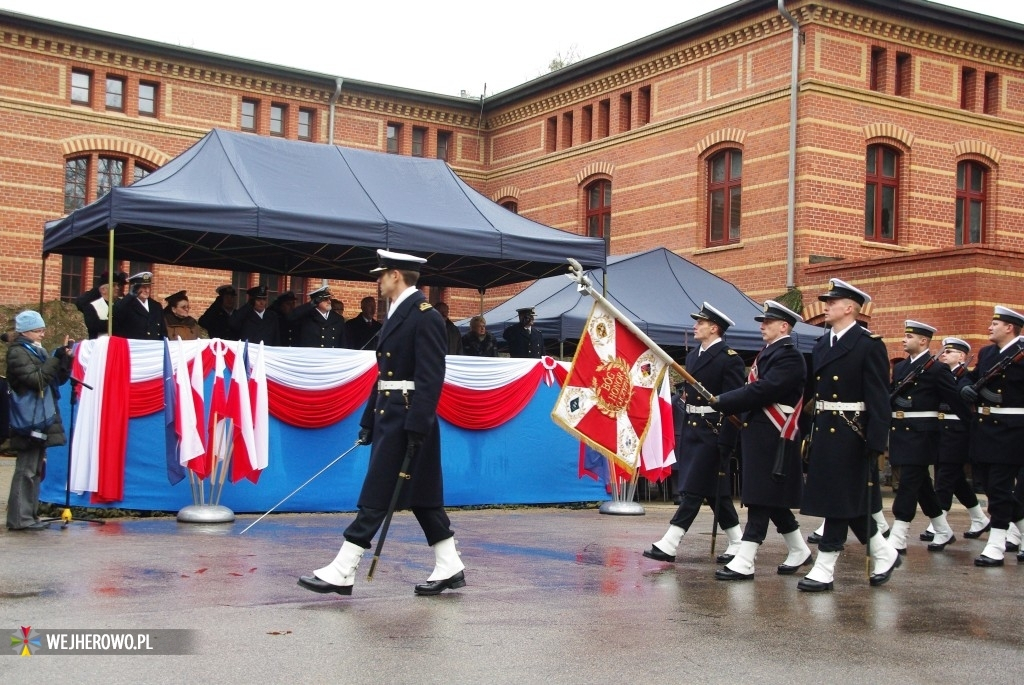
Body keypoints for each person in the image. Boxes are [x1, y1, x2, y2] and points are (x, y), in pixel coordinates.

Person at [298, 249, 465, 597]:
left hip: (408, 418)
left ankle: (343, 569)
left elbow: (432, 377)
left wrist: (418, 425)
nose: (378, 280)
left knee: (377, 495)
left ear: (396, 276)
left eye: (382, 274)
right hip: (393, 415)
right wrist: (369, 419)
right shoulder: (399, 314)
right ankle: (449, 564)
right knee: (423, 497)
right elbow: (384, 375)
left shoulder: (425, 316)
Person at [798, 279, 899, 591]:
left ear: (850, 308)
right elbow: (812, 395)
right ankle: (884, 552)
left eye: (832, 301)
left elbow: (880, 400)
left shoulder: (868, 345)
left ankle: (825, 565)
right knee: (847, 500)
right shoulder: (821, 344)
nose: (826, 306)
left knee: (837, 500)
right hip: (826, 430)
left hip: (852, 432)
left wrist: (876, 443)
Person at [710, 301, 812, 580]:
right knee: (771, 497)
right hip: (759, 432)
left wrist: (726, 400)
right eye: (762, 321)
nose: (761, 326)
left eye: (768, 322)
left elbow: (765, 389)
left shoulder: (790, 356)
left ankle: (746, 558)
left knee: (760, 497)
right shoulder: (767, 353)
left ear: (784, 326)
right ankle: (798, 548)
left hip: (776, 434)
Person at [643, 302, 744, 564]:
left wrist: (727, 442)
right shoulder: (692, 357)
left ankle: (670, 542)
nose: (695, 326)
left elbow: (736, 406)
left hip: (713, 432)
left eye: (700, 323)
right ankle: (738, 542)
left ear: (714, 328)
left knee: (693, 490)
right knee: (714, 492)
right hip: (692, 431)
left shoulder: (728, 359)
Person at [885, 320, 960, 554]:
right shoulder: (901, 368)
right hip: (901, 431)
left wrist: (971, 431)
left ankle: (899, 534)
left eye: (909, 337)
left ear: (923, 341)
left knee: (908, 482)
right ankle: (943, 529)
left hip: (923, 434)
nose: (904, 340)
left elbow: (955, 401)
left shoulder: (937, 369)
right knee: (922, 485)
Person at [960, 306, 1024, 567]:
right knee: (987, 483)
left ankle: (996, 544)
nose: (989, 327)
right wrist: (964, 387)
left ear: (1009, 327)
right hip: (985, 428)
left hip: (1013, 429)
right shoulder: (987, 353)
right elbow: (971, 377)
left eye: (994, 323)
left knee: (999, 486)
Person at [918, 338, 990, 542]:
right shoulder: (939, 375)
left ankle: (938, 522)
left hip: (958, 431)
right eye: (944, 351)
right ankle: (979, 518)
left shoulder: (965, 378)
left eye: (950, 352)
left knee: (945, 478)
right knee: (954, 477)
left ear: (961, 356)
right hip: (941, 430)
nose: (944, 354)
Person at [5, 310, 72, 531]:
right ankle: (19, 518)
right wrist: (53, 359)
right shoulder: (18, 352)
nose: (42, 334)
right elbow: (37, 380)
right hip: (28, 418)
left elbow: (54, 380)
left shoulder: (35, 350)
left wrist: (63, 360)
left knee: (35, 470)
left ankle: (29, 515)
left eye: (43, 330)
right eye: (38, 330)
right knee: (25, 469)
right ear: (25, 332)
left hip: (41, 417)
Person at [112, 272, 166, 340]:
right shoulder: (126, 304)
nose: (147, 290)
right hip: (134, 347)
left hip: (153, 347)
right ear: (134, 287)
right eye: (143, 287)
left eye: (148, 287)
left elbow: (163, 331)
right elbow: (115, 315)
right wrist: (129, 296)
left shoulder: (156, 306)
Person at [75, 270, 128, 339]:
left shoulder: (122, 304)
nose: (118, 288)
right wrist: (117, 324)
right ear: (103, 289)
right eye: (114, 285)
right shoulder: (92, 306)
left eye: (119, 285)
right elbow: (93, 325)